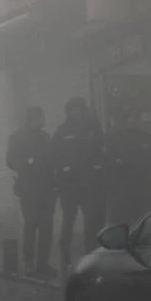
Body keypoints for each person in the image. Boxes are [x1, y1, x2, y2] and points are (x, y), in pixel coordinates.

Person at [53, 97, 105, 272]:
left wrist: (97, 169)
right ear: (68, 111)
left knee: (91, 220)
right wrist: (62, 176)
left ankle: (90, 256)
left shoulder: (91, 128)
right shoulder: (62, 131)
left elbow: (100, 149)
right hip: (69, 186)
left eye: (79, 109)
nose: (76, 112)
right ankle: (65, 258)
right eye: (73, 109)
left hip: (88, 184)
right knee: (68, 221)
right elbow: (56, 156)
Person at [6, 107, 56, 278]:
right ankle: (29, 263)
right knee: (31, 223)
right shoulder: (18, 137)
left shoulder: (45, 137)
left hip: (47, 188)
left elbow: (52, 159)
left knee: (47, 226)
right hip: (29, 188)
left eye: (42, 117)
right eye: (39, 117)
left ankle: (43, 263)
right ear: (31, 119)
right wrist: (28, 162)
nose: (42, 120)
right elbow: (11, 161)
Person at [104, 108, 151, 226]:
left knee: (142, 225)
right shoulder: (113, 139)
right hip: (123, 194)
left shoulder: (146, 138)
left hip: (141, 193)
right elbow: (108, 165)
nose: (132, 120)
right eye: (129, 117)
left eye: (134, 117)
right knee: (123, 227)